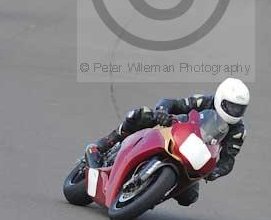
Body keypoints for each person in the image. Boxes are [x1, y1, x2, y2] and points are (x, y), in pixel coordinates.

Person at [85, 78, 250, 207]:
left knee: (189, 198)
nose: (235, 111)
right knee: (140, 115)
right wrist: (163, 112)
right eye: (231, 106)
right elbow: (172, 103)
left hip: (194, 157)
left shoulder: (238, 131)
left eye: (239, 108)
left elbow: (229, 159)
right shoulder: (204, 101)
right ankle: (105, 144)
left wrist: (215, 172)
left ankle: (148, 197)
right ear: (221, 98)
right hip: (174, 133)